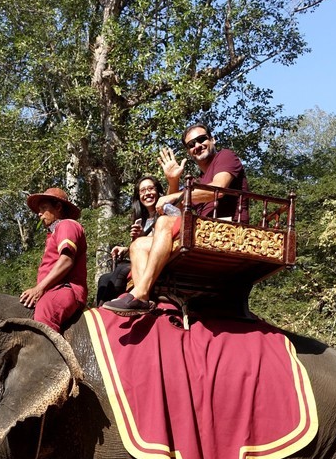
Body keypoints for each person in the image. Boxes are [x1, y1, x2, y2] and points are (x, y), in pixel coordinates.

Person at [102, 122, 249, 314]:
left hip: (228, 228)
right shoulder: (197, 181)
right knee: (137, 245)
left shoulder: (225, 156)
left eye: (202, 139)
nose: (197, 145)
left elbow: (218, 189)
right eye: (191, 144)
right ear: (189, 152)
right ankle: (142, 301)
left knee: (163, 222)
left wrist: (173, 196)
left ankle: (141, 292)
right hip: (202, 230)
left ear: (212, 140)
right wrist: (173, 181)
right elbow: (174, 210)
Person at [20, 187, 88, 332]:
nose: (39, 213)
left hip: (66, 289)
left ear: (58, 207)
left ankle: (52, 355)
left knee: (45, 314)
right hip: (53, 289)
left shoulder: (67, 225)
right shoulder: (54, 233)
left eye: (44, 208)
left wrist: (39, 288)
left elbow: (66, 260)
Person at [96, 175, 162, 306]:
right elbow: (137, 246)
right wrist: (126, 249)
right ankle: (102, 309)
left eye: (150, 189)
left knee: (121, 270)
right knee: (104, 278)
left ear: (158, 191)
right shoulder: (141, 220)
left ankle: (120, 303)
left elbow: (164, 239)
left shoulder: (165, 212)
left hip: (156, 258)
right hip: (140, 258)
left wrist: (143, 237)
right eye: (142, 191)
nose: (147, 193)